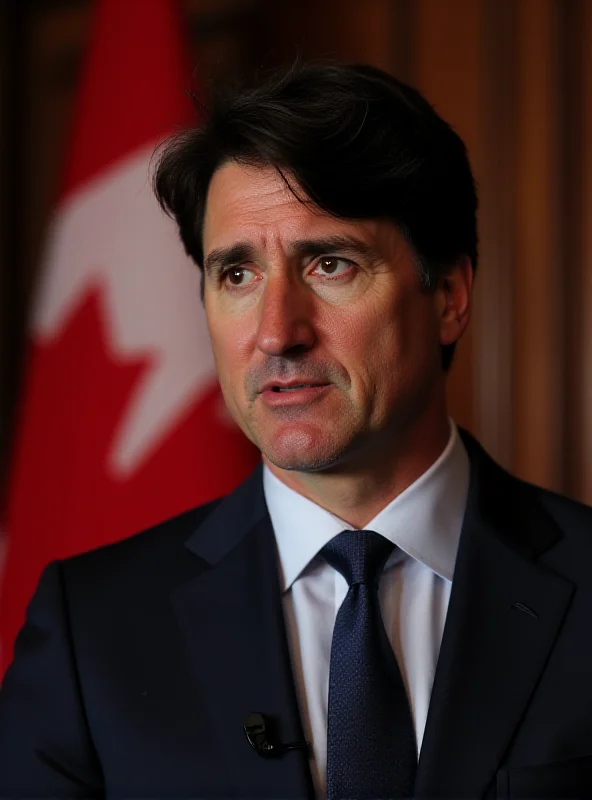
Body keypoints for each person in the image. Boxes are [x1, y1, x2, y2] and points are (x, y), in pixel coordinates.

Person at [1, 60, 591, 800]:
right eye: (237, 276)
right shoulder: (92, 630)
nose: (276, 332)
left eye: (331, 264)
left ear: (447, 295)